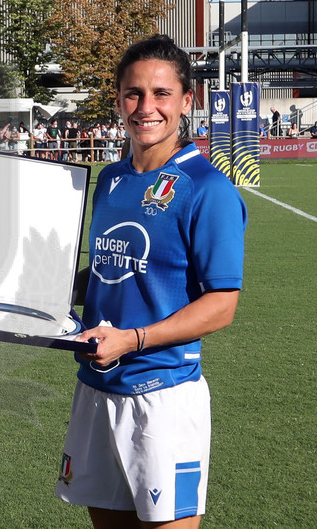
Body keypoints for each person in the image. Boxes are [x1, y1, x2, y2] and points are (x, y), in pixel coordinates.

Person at [55, 34, 247, 528]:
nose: (146, 107)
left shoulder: (208, 190)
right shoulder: (111, 178)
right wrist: (32, 285)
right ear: (119, 99)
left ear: (187, 101)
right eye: (133, 93)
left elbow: (221, 305)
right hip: (97, 389)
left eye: (161, 94)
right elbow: (107, 269)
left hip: (163, 396)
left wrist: (133, 339)